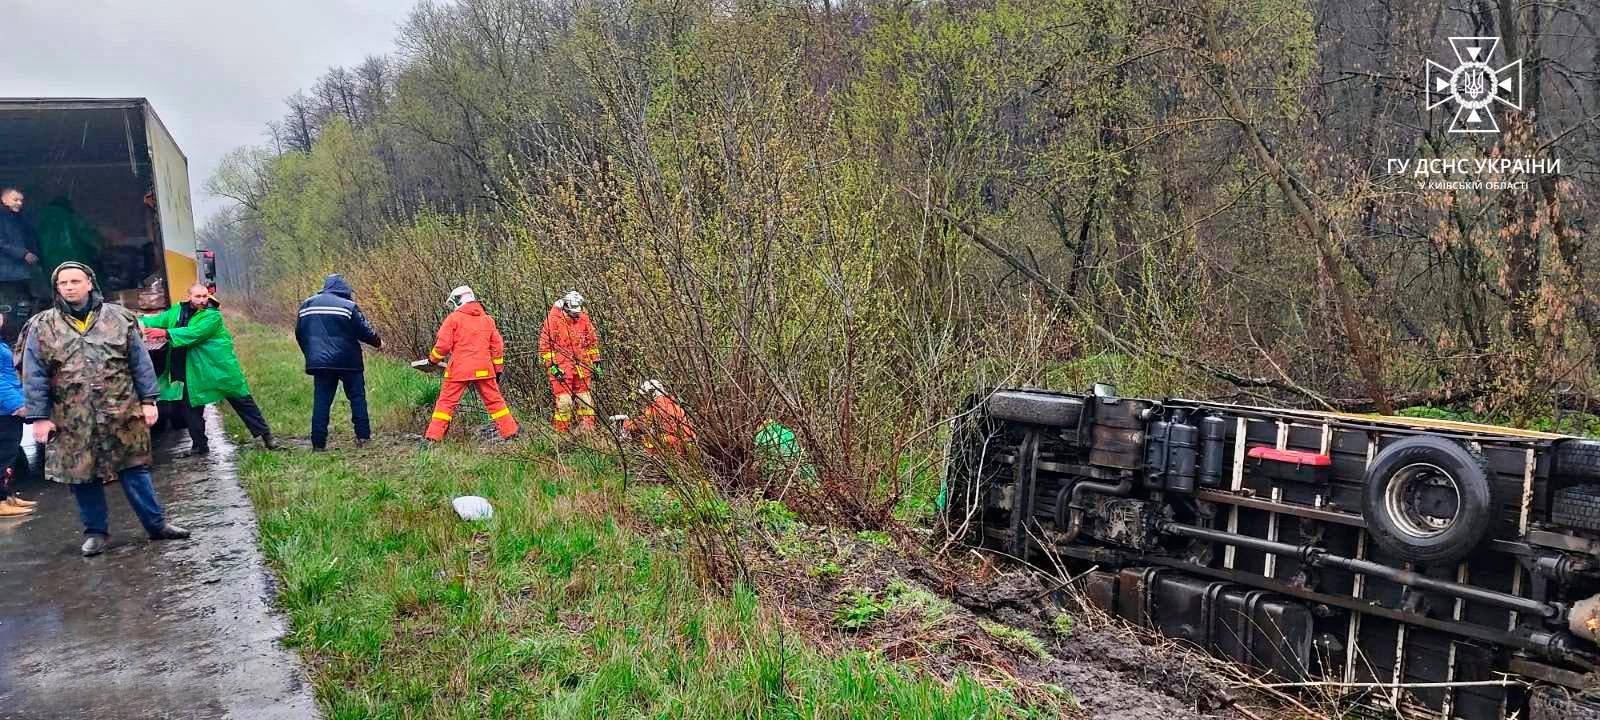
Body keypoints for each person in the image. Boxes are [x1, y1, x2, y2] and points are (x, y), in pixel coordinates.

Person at [22, 262, 189, 556]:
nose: (69, 287)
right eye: (63, 283)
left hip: (121, 411)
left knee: (135, 468)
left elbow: (140, 362)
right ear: (57, 288)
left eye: (75, 281)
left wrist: (149, 401)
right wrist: (39, 417)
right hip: (71, 418)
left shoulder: (119, 318)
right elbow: (34, 373)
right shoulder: (41, 325)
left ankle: (156, 525)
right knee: (83, 475)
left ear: (89, 283)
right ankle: (96, 532)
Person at [141, 284, 278, 456]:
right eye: (198, 296)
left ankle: (267, 437)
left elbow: (195, 333)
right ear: (189, 296)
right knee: (190, 407)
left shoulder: (212, 315)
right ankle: (199, 445)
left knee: (241, 399)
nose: (202, 300)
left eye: (204, 296)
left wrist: (166, 333)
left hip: (218, 367)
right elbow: (156, 320)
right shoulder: (177, 311)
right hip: (191, 369)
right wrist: (134, 321)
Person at [296, 274, 382, 451]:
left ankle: (318, 444)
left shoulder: (307, 305)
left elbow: (300, 334)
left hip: (320, 363)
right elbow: (364, 330)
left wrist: (311, 354)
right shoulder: (348, 306)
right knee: (357, 398)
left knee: (321, 401)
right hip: (348, 361)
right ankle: (363, 437)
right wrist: (378, 343)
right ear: (344, 290)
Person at [424, 286, 518, 442]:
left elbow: (443, 346)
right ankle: (511, 433)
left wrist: (432, 360)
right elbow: (497, 346)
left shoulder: (453, 319)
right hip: (484, 369)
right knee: (495, 401)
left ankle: (433, 438)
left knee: (446, 403)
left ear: (457, 301)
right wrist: (498, 370)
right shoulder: (488, 320)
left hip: (459, 370)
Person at [538, 290, 601, 434]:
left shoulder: (584, 319)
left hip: (582, 366)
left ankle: (587, 433)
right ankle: (561, 435)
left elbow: (592, 344)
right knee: (565, 403)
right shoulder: (553, 320)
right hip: (561, 368)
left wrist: (596, 363)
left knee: (585, 401)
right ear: (566, 307)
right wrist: (553, 368)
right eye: (573, 312)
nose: (575, 315)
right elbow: (544, 347)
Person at [0, 313, 37, 516]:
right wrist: (16, 404)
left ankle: (8, 496)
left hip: (7, 407)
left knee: (11, 453)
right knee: (4, 455)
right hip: (4, 409)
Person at [622, 380, 695, 454]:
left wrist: (626, 423)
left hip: (676, 442)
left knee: (651, 442)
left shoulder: (657, 406)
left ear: (651, 393)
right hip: (689, 441)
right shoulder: (671, 402)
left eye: (645, 396)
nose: (644, 399)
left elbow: (643, 423)